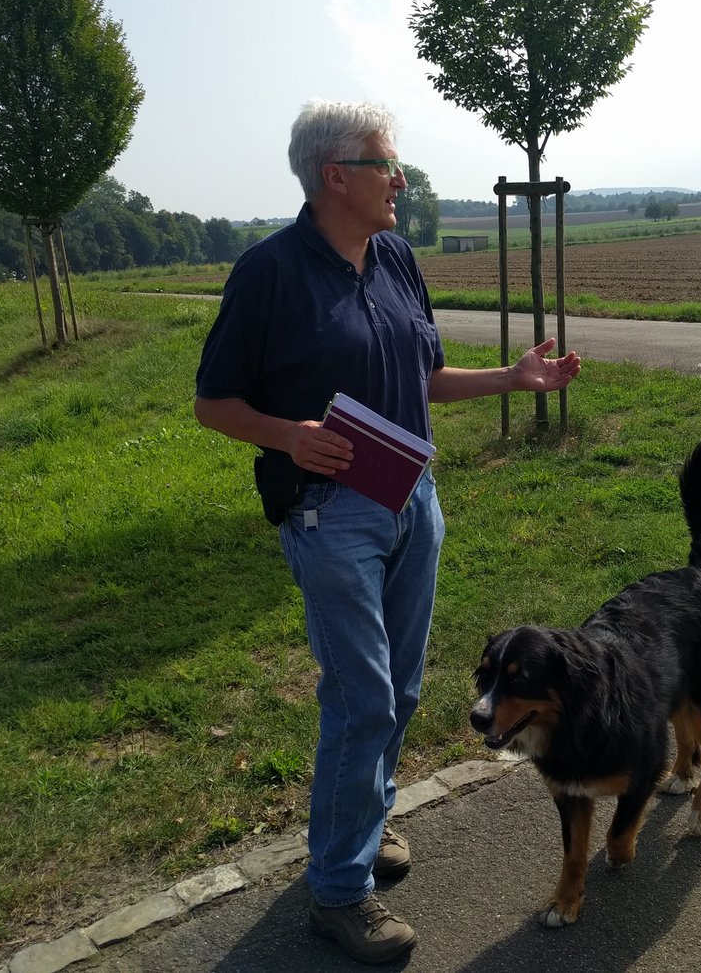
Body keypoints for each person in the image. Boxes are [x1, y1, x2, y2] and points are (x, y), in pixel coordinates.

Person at [194, 99, 580, 965]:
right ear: (337, 177)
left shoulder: (397, 257)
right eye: (386, 166)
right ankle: (338, 892)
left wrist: (516, 379)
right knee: (362, 698)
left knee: (401, 691)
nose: (400, 180)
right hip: (331, 516)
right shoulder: (268, 274)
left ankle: (364, 825)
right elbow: (212, 403)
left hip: (412, 501)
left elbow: (429, 378)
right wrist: (288, 435)